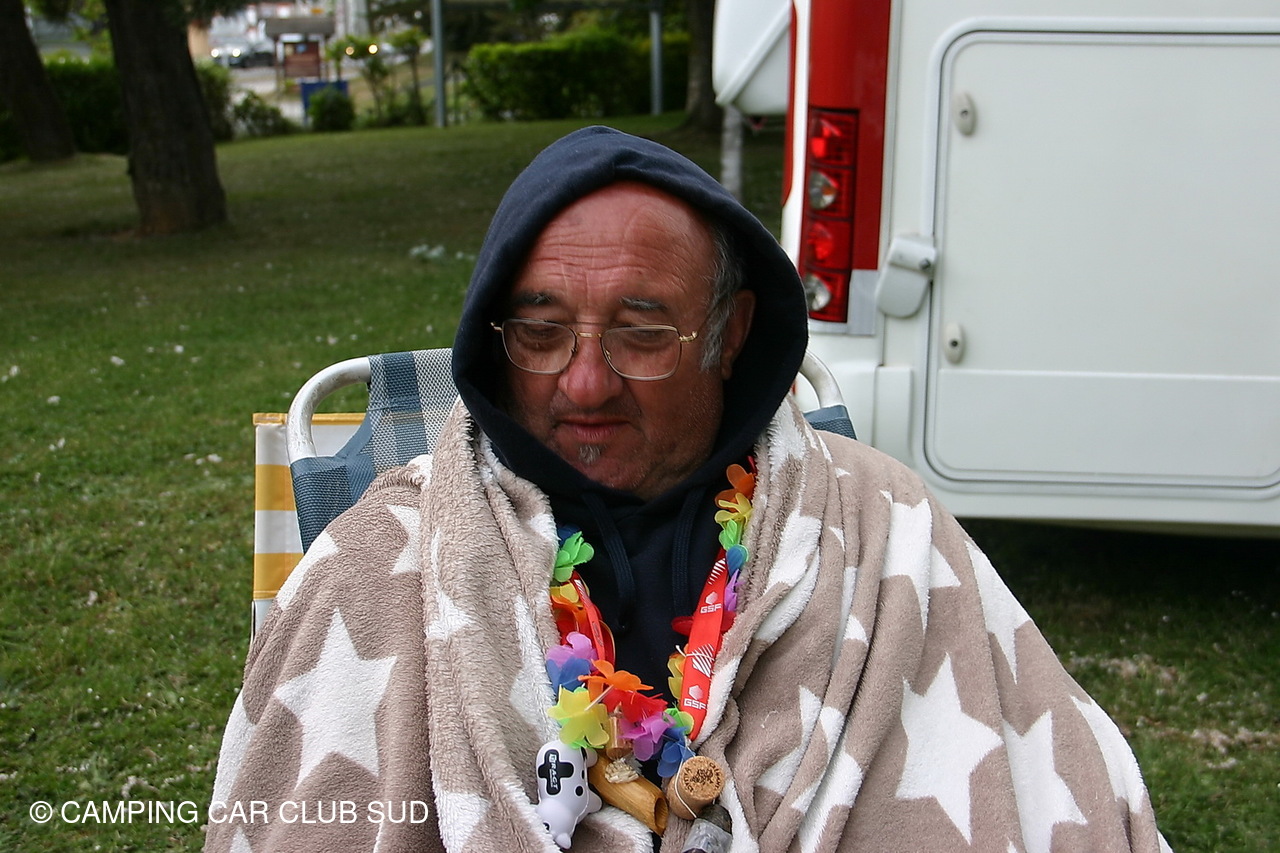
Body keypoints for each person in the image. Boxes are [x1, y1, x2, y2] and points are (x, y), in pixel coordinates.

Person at [205, 127, 1171, 853]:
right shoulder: (382, 559)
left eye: (641, 332)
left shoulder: (888, 525)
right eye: (540, 332)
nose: (585, 383)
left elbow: (1044, 784)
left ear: (730, 332)